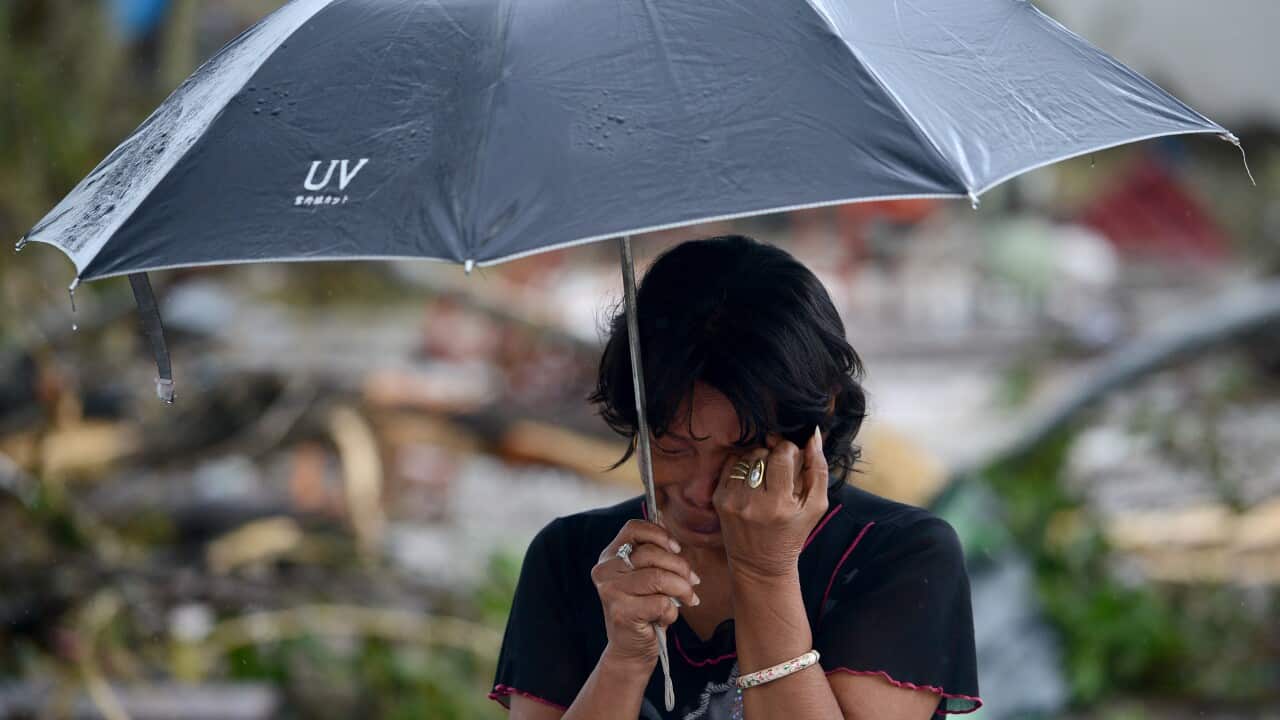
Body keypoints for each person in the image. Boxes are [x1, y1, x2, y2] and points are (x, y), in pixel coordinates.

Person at [489, 236, 981, 719]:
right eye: (673, 446)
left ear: (815, 425)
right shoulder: (573, 560)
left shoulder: (895, 556)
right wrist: (623, 659)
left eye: (742, 453)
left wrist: (765, 573)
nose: (701, 490)